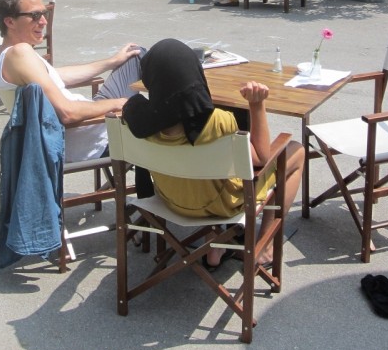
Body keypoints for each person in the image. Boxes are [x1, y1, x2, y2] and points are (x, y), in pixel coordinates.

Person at [122, 38, 304, 268]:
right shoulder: (217, 122)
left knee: (205, 170)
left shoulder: (138, 121)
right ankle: (265, 248)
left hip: (171, 201)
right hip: (222, 204)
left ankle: (216, 244)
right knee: (296, 151)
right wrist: (257, 106)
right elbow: (261, 157)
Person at [0, 0, 145, 163]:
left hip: (85, 124)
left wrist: (111, 62)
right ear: (10, 21)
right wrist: (119, 103)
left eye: (44, 13)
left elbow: (55, 75)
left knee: (134, 53)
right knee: (147, 56)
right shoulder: (20, 53)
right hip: (93, 135)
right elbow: (68, 113)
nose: (43, 21)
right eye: (35, 15)